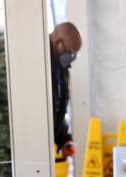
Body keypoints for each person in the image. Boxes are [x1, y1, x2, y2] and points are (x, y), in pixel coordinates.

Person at [50, 22, 82, 157]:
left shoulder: (62, 68)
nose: (71, 57)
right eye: (69, 52)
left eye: (74, 54)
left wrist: (64, 139)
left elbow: (58, 108)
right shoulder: (40, 63)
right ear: (57, 42)